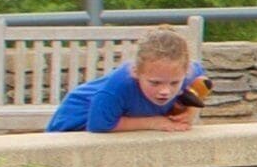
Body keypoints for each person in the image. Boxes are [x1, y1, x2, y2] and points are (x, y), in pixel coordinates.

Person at [46, 27, 207, 133]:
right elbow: (99, 125)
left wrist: (190, 111)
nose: (165, 91)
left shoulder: (188, 72)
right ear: (136, 72)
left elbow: (201, 80)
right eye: (155, 83)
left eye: (174, 83)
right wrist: (154, 122)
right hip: (74, 125)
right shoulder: (119, 85)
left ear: (186, 73)